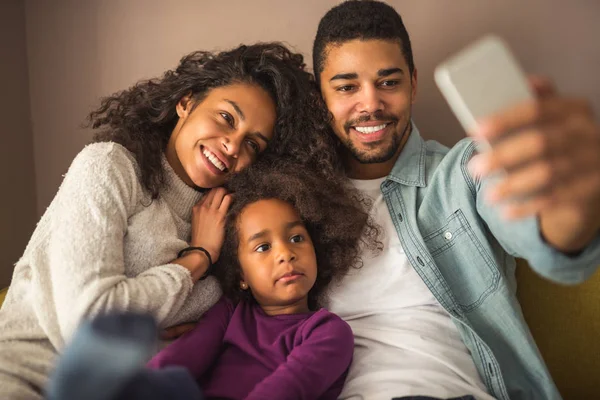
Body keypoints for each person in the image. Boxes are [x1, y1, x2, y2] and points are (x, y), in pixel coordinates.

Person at [0, 42, 338, 400]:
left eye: (252, 144)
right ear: (186, 102)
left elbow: (195, 350)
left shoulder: (235, 229)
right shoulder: (109, 166)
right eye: (226, 117)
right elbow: (90, 322)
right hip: (28, 377)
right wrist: (196, 259)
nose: (232, 146)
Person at [312, 1, 600, 400]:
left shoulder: (466, 169)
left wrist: (573, 208)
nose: (371, 103)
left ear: (413, 84)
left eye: (388, 82)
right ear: (320, 96)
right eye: (346, 87)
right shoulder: (301, 203)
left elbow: (543, 237)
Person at [46, 158, 381, 400]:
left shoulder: (330, 333)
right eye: (263, 246)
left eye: (296, 238)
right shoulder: (229, 312)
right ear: (241, 276)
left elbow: (286, 390)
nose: (285, 254)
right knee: (171, 382)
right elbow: (180, 360)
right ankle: (97, 380)